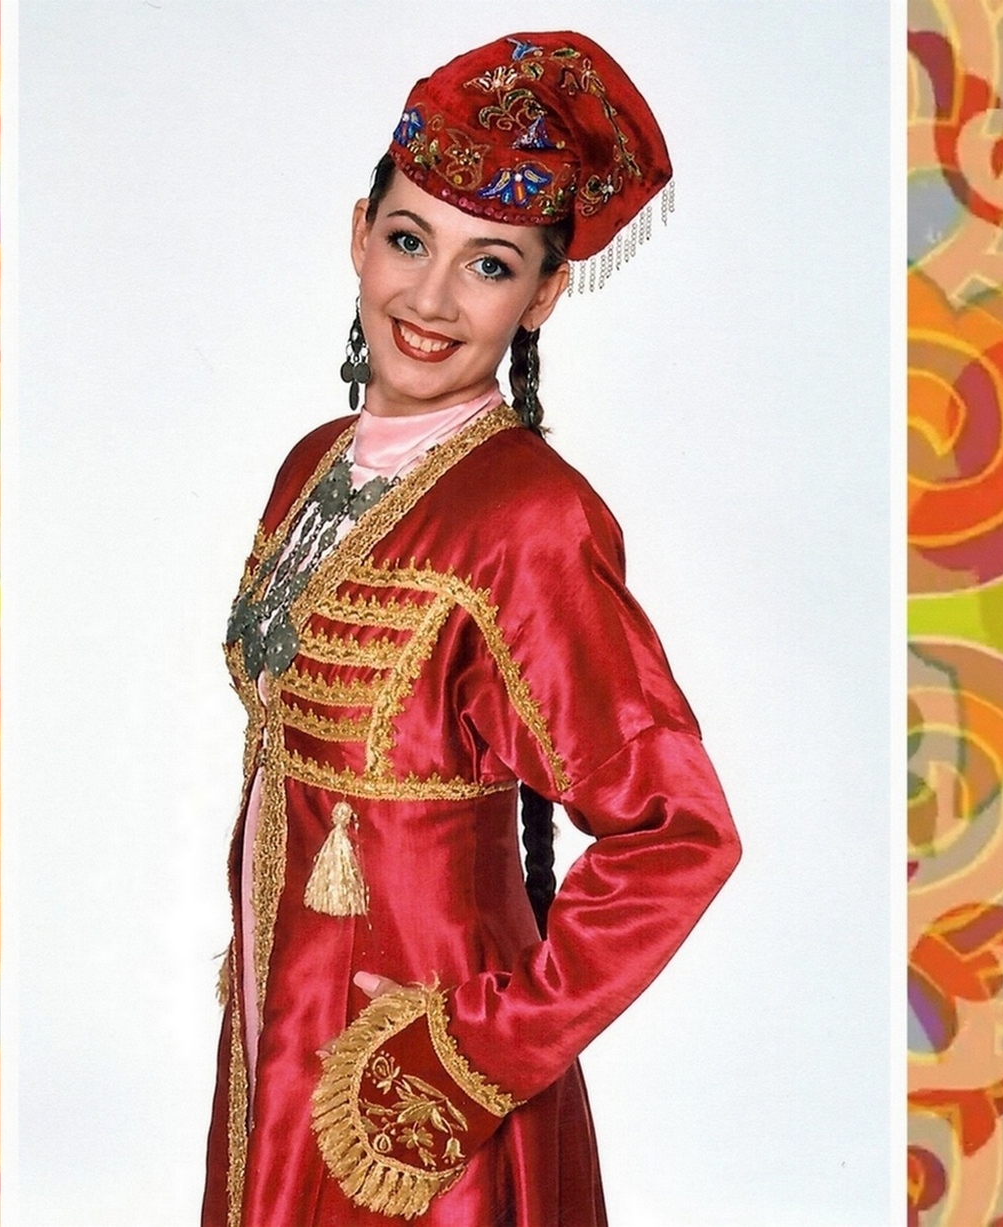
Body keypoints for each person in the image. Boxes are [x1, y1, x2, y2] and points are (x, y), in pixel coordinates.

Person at [205, 31, 740, 1226]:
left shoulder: (532, 518)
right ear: (360, 234)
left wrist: (473, 1055)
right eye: (409, 240)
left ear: (544, 294)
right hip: (278, 1039)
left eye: (487, 265)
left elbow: (680, 833)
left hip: (414, 1088)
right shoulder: (311, 464)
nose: (432, 299)